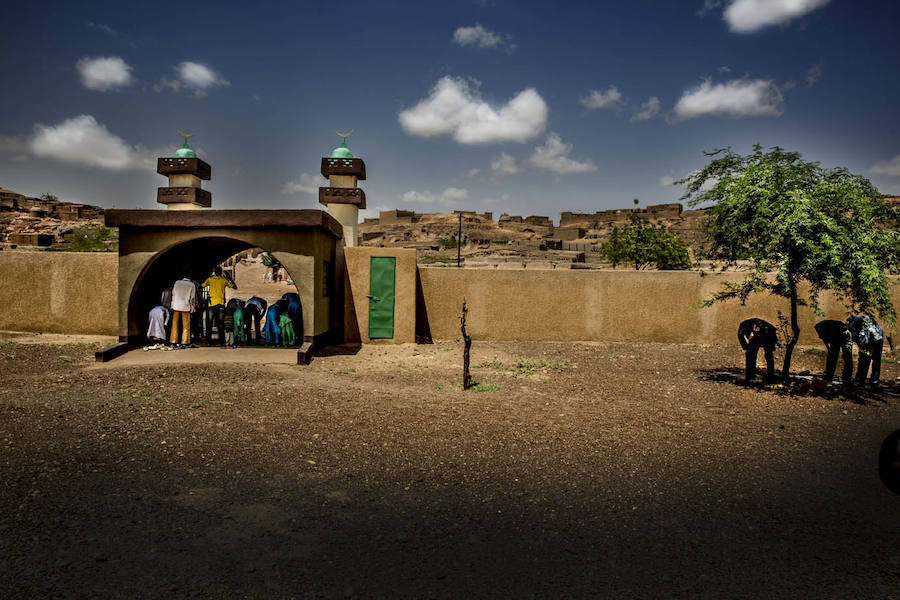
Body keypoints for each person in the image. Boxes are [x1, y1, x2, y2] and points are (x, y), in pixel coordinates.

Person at [202, 266, 236, 347]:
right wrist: (229, 277)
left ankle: (208, 341)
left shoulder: (210, 280)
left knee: (209, 324)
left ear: (214, 272)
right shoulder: (223, 280)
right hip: (220, 304)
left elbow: (202, 285)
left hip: (211, 304)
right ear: (221, 272)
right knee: (220, 324)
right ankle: (221, 341)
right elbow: (234, 287)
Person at [846, 315, 885, 384]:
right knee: (870, 358)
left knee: (867, 358)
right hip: (875, 335)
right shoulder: (858, 322)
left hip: (875, 337)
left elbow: (863, 341)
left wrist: (862, 347)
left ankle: (862, 379)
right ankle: (867, 379)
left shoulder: (857, 326)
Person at [737, 318, 777, 383]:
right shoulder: (748, 325)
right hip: (770, 332)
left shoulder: (744, 327)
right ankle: (770, 375)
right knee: (769, 355)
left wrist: (746, 347)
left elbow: (740, 336)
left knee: (750, 355)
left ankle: (750, 376)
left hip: (760, 333)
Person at [814, 319, 853, 385]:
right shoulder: (820, 328)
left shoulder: (826, 328)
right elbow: (824, 339)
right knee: (832, 357)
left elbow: (826, 338)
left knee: (847, 357)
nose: (819, 335)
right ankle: (829, 377)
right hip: (835, 336)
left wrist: (830, 349)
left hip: (844, 335)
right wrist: (828, 348)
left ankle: (847, 380)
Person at [169, 275, 196, 347]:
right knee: (186, 325)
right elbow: (192, 298)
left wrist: (172, 305)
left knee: (175, 324)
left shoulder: (177, 283)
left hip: (176, 305)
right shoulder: (192, 285)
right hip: (185, 306)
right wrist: (192, 309)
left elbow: (173, 295)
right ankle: (185, 341)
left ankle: (173, 340)